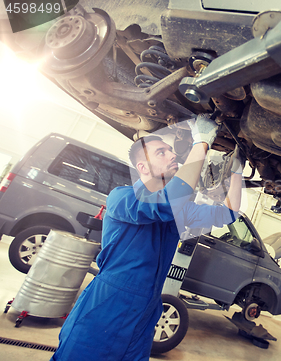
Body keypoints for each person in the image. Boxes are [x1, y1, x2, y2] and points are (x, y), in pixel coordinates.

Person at [51, 115, 244, 360]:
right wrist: (201, 142)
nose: (173, 155)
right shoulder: (121, 197)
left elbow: (228, 213)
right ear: (142, 167)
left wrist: (236, 171)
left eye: (171, 151)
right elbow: (167, 202)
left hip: (146, 311)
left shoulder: (178, 210)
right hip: (107, 304)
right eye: (162, 153)